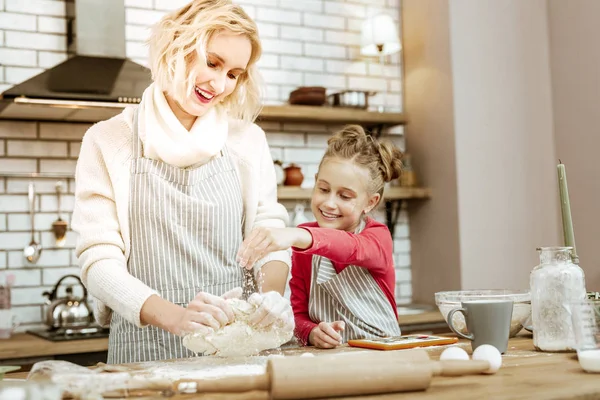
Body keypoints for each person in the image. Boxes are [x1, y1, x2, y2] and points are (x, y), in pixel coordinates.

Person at [72, 0, 293, 364]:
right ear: (176, 48)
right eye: (212, 62)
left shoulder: (246, 140)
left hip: (236, 346)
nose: (220, 84)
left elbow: (267, 233)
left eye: (234, 73)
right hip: (145, 353)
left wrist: (270, 297)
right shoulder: (108, 140)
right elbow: (98, 262)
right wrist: (176, 318)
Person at [237, 125, 403, 349]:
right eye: (323, 189)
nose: (329, 203)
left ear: (370, 202)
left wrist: (298, 234)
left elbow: (351, 247)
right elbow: (297, 314)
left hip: (384, 357)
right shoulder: (305, 244)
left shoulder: (377, 237)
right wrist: (311, 332)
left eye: (345, 196)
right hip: (328, 363)